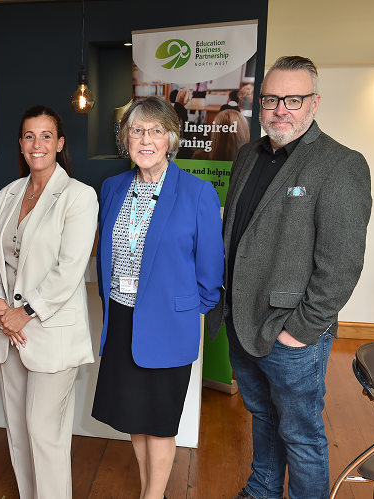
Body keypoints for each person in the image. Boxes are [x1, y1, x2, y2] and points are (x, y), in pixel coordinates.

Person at [206, 56, 372, 499]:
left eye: (293, 99)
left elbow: (341, 266)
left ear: (314, 103)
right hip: (242, 323)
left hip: (291, 332)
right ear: (260, 105)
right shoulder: (246, 155)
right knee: (262, 415)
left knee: (301, 434)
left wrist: (298, 332)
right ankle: (263, 488)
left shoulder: (340, 165)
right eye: (271, 99)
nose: (281, 109)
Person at [92, 96, 224, 499]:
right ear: (125, 139)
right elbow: (105, 257)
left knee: (161, 422)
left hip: (168, 326)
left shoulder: (197, 192)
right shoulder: (113, 188)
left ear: (171, 138)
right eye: (136, 130)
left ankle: (152, 497)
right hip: (121, 320)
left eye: (155, 131)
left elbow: (211, 275)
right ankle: (154, 491)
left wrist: (181, 311)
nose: (145, 139)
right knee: (134, 418)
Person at [0, 105, 98, 499]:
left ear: (60, 143)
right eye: (29, 136)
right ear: (20, 143)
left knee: (43, 431)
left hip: (48, 331)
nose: (37, 144)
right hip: (8, 329)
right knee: (17, 429)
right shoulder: (8, 193)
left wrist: (24, 312)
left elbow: (69, 269)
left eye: (46, 136)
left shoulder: (79, 197)